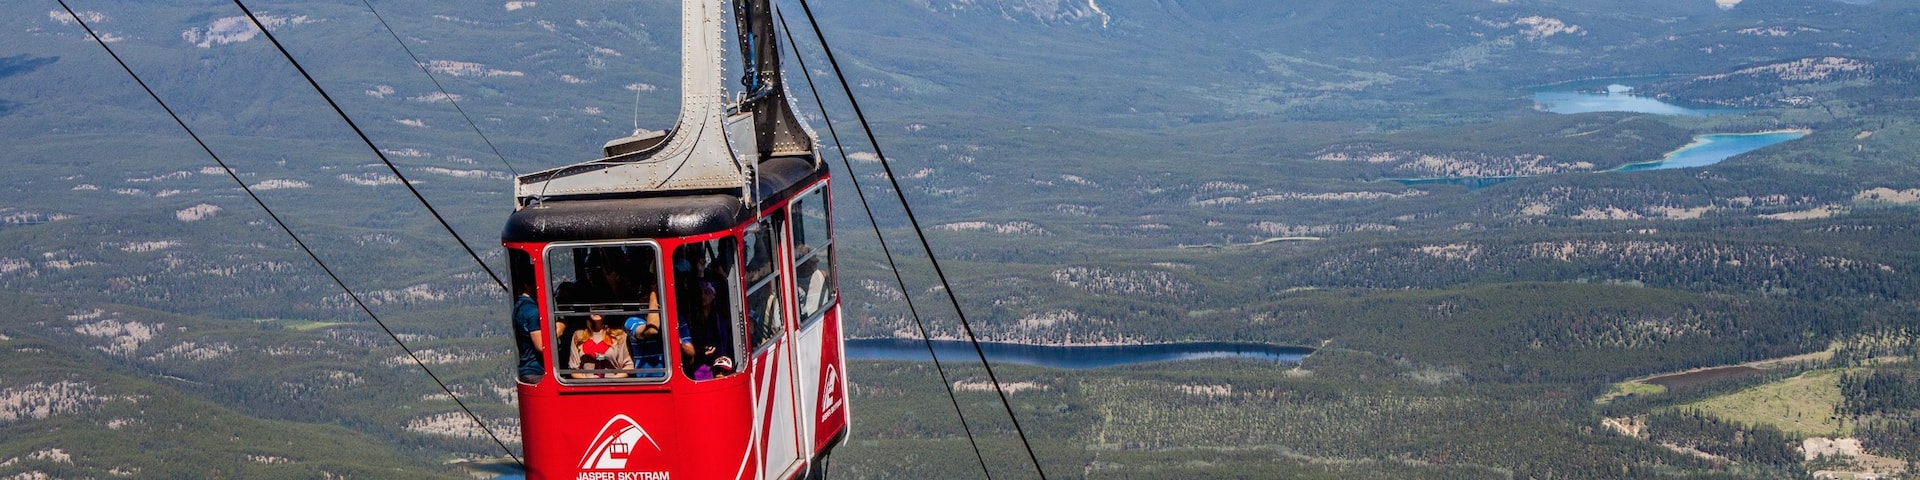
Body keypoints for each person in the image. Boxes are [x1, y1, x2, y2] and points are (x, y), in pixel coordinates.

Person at [569, 313, 632, 378]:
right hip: (586, 385)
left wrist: (612, 380)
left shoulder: (619, 335)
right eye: (593, 306)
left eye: (600, 307)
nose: (596, 310)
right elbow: (574, 369)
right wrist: (587, 379)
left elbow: (629, 365)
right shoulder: (579, 335)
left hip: (612, 384)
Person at [512, 280, 545, 384]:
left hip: (526, 369)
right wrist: (559, 329)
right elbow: (540, 346)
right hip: (536, 370)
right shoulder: (533, 311)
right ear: (527, 285)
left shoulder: (518, 306)